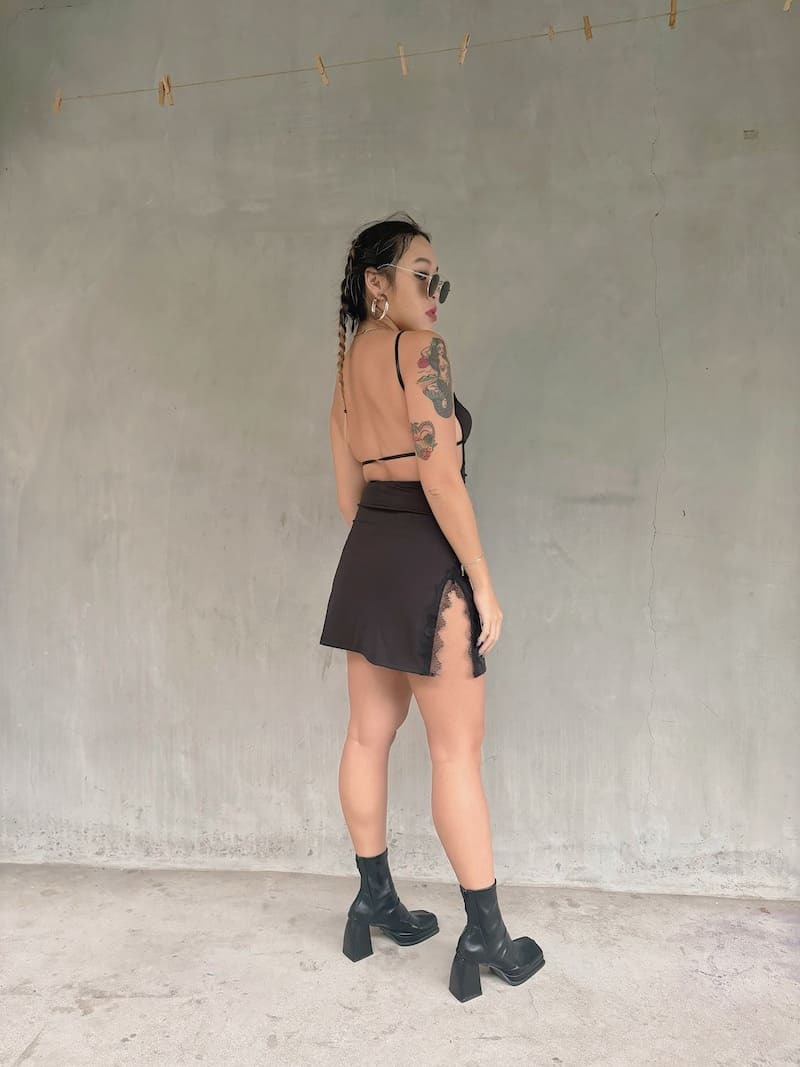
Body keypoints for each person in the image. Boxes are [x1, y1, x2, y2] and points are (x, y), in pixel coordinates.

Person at [319, 213, 545, 1002]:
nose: (434, 290)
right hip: (428, 560)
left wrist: (386, 547)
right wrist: (479, 580)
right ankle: (486, 937)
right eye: (421, 274)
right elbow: (441, 477)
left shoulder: (347, 367)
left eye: (438, 277)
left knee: (366, 735)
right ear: (377, 283)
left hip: (369, 558)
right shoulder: (423, 352)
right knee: (455, 754)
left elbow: (348, 495)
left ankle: (373, 901)